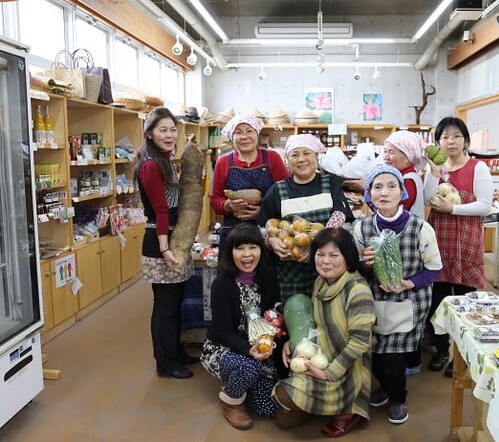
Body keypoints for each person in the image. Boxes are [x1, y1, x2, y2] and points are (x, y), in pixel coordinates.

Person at [353, 165, 442, 424]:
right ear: (369, 195)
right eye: (377, 187)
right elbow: (356, 269)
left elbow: (434, 269)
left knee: (393, 357)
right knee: (378, 355)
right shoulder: (362, 228)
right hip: (375, 302)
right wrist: (366, 265)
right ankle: (387, 387)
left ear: (402, 192)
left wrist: (409, 283)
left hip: (409, 301)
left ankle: (398, 398)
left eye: (392, 186)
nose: (384, 192)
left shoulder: (421, 229)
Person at [273, 228, 375, 438]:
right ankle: (322, 405)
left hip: (345, 369)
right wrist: (293, 341)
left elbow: (360, 342)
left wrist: (329, 373)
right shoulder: (321, 282)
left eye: (334, 255)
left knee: (286, 399)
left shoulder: (358, 290)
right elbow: (316, 324)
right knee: (283, 418)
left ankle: (349, 409)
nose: (325, 261)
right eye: (320, 254)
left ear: (348, 258)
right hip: (320, 356)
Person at [423, 117, 493, 376]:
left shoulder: (478, 168)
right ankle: (442, 349)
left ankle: (462, 356)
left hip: (466, 240)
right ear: (437, 141)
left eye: (456, 136)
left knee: (465, 301)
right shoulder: (437, 168)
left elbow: (485, 205)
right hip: (438, 241)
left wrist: (452, 208)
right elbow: (427, 198)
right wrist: (431, 172)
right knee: (437, 299)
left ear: (465, 140)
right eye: (444, 137)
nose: (450, 141)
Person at [200, 223, 281, 430]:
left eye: (253, 247)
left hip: (259, 347)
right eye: (240, 248)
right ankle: (231, 400)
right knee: (248, 366)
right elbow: (221, 331)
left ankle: (243, 382)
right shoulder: (222, 284)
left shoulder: (269, 279)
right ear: (230, 252)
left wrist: (274, 329)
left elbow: (273, 313)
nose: (247, 254)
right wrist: (248, 350)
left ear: (261, 250)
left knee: (267, 408)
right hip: (224, 347)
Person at [136, 107, 197, 380]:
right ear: (150, 133)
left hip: (174, 238)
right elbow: (160, 209)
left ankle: (175, 351)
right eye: (163, 129)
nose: (170, 134)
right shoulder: (150, 165)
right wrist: (165, 249)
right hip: (160, 239)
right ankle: (165, 362)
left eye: (173, 129)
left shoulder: (164, 160)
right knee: (165, 306)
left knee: (176, 302)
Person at [258, 133, 354, 302]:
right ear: (287, 161)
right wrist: (271, 241)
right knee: (297, 317)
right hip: (291, 273)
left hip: (329, 268)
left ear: (316, 157)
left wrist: (317, 246)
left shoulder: (330, 183)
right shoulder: (277, 190)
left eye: (307, 153)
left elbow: (339, 215)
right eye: (295, 155)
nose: (301, 159)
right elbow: (262, 226)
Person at [211, 114, 289, 252]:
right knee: (231, 273)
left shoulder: (272, 158)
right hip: (233, 232)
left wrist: (262, 213)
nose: (244, 136)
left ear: (257, 134)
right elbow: (216, 199)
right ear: (232, 137)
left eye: (249, 131)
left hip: (268, 233)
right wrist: (228, 206)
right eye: (238, 132)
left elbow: (286, 196)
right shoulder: (223, 162)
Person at [343, 130, 426, 218]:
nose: (385, 157)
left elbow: (389, 214)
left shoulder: (408, 180)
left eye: (391, 152)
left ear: (408, 156)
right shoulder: (399, 177)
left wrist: (366, 190)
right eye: (385, 151)